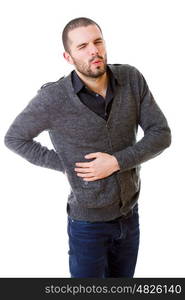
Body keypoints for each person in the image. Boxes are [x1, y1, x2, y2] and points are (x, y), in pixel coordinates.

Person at [4, 17, 171, 278]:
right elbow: (15, 139)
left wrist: (116, 162)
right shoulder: (52, 98)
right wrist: (69, 166)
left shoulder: (131, 78)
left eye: (98, 42)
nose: (94, 50)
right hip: (87, 225)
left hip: (130, 216)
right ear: (68, 56)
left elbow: (161, 134)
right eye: (82, 46)